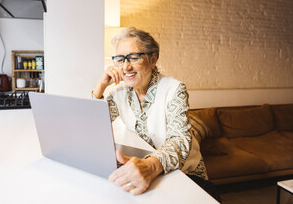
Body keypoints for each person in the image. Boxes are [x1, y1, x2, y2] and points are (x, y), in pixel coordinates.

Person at [92, 27, 220, 201]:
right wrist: (100, 87)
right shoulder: (119, 92)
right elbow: (93, 125)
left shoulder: (174, 89)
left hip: (184, 172)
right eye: (120, 59)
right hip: (146, 169)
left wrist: (151, 165)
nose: (126, 66)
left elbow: (179, 140)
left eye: (134, 57)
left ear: (153, 59)